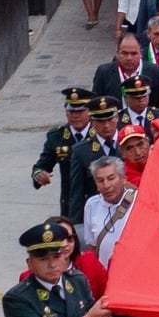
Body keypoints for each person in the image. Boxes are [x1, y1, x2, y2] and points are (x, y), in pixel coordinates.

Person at [33, 88, 102, 220]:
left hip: (99, 201)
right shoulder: (56, 136)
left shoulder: (100, 133)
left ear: (90, 112)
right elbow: (41, 165)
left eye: (80, 111)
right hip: (71, 205)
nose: (75, 116)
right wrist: (39, 175)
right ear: (66, 112)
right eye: (71, 111)